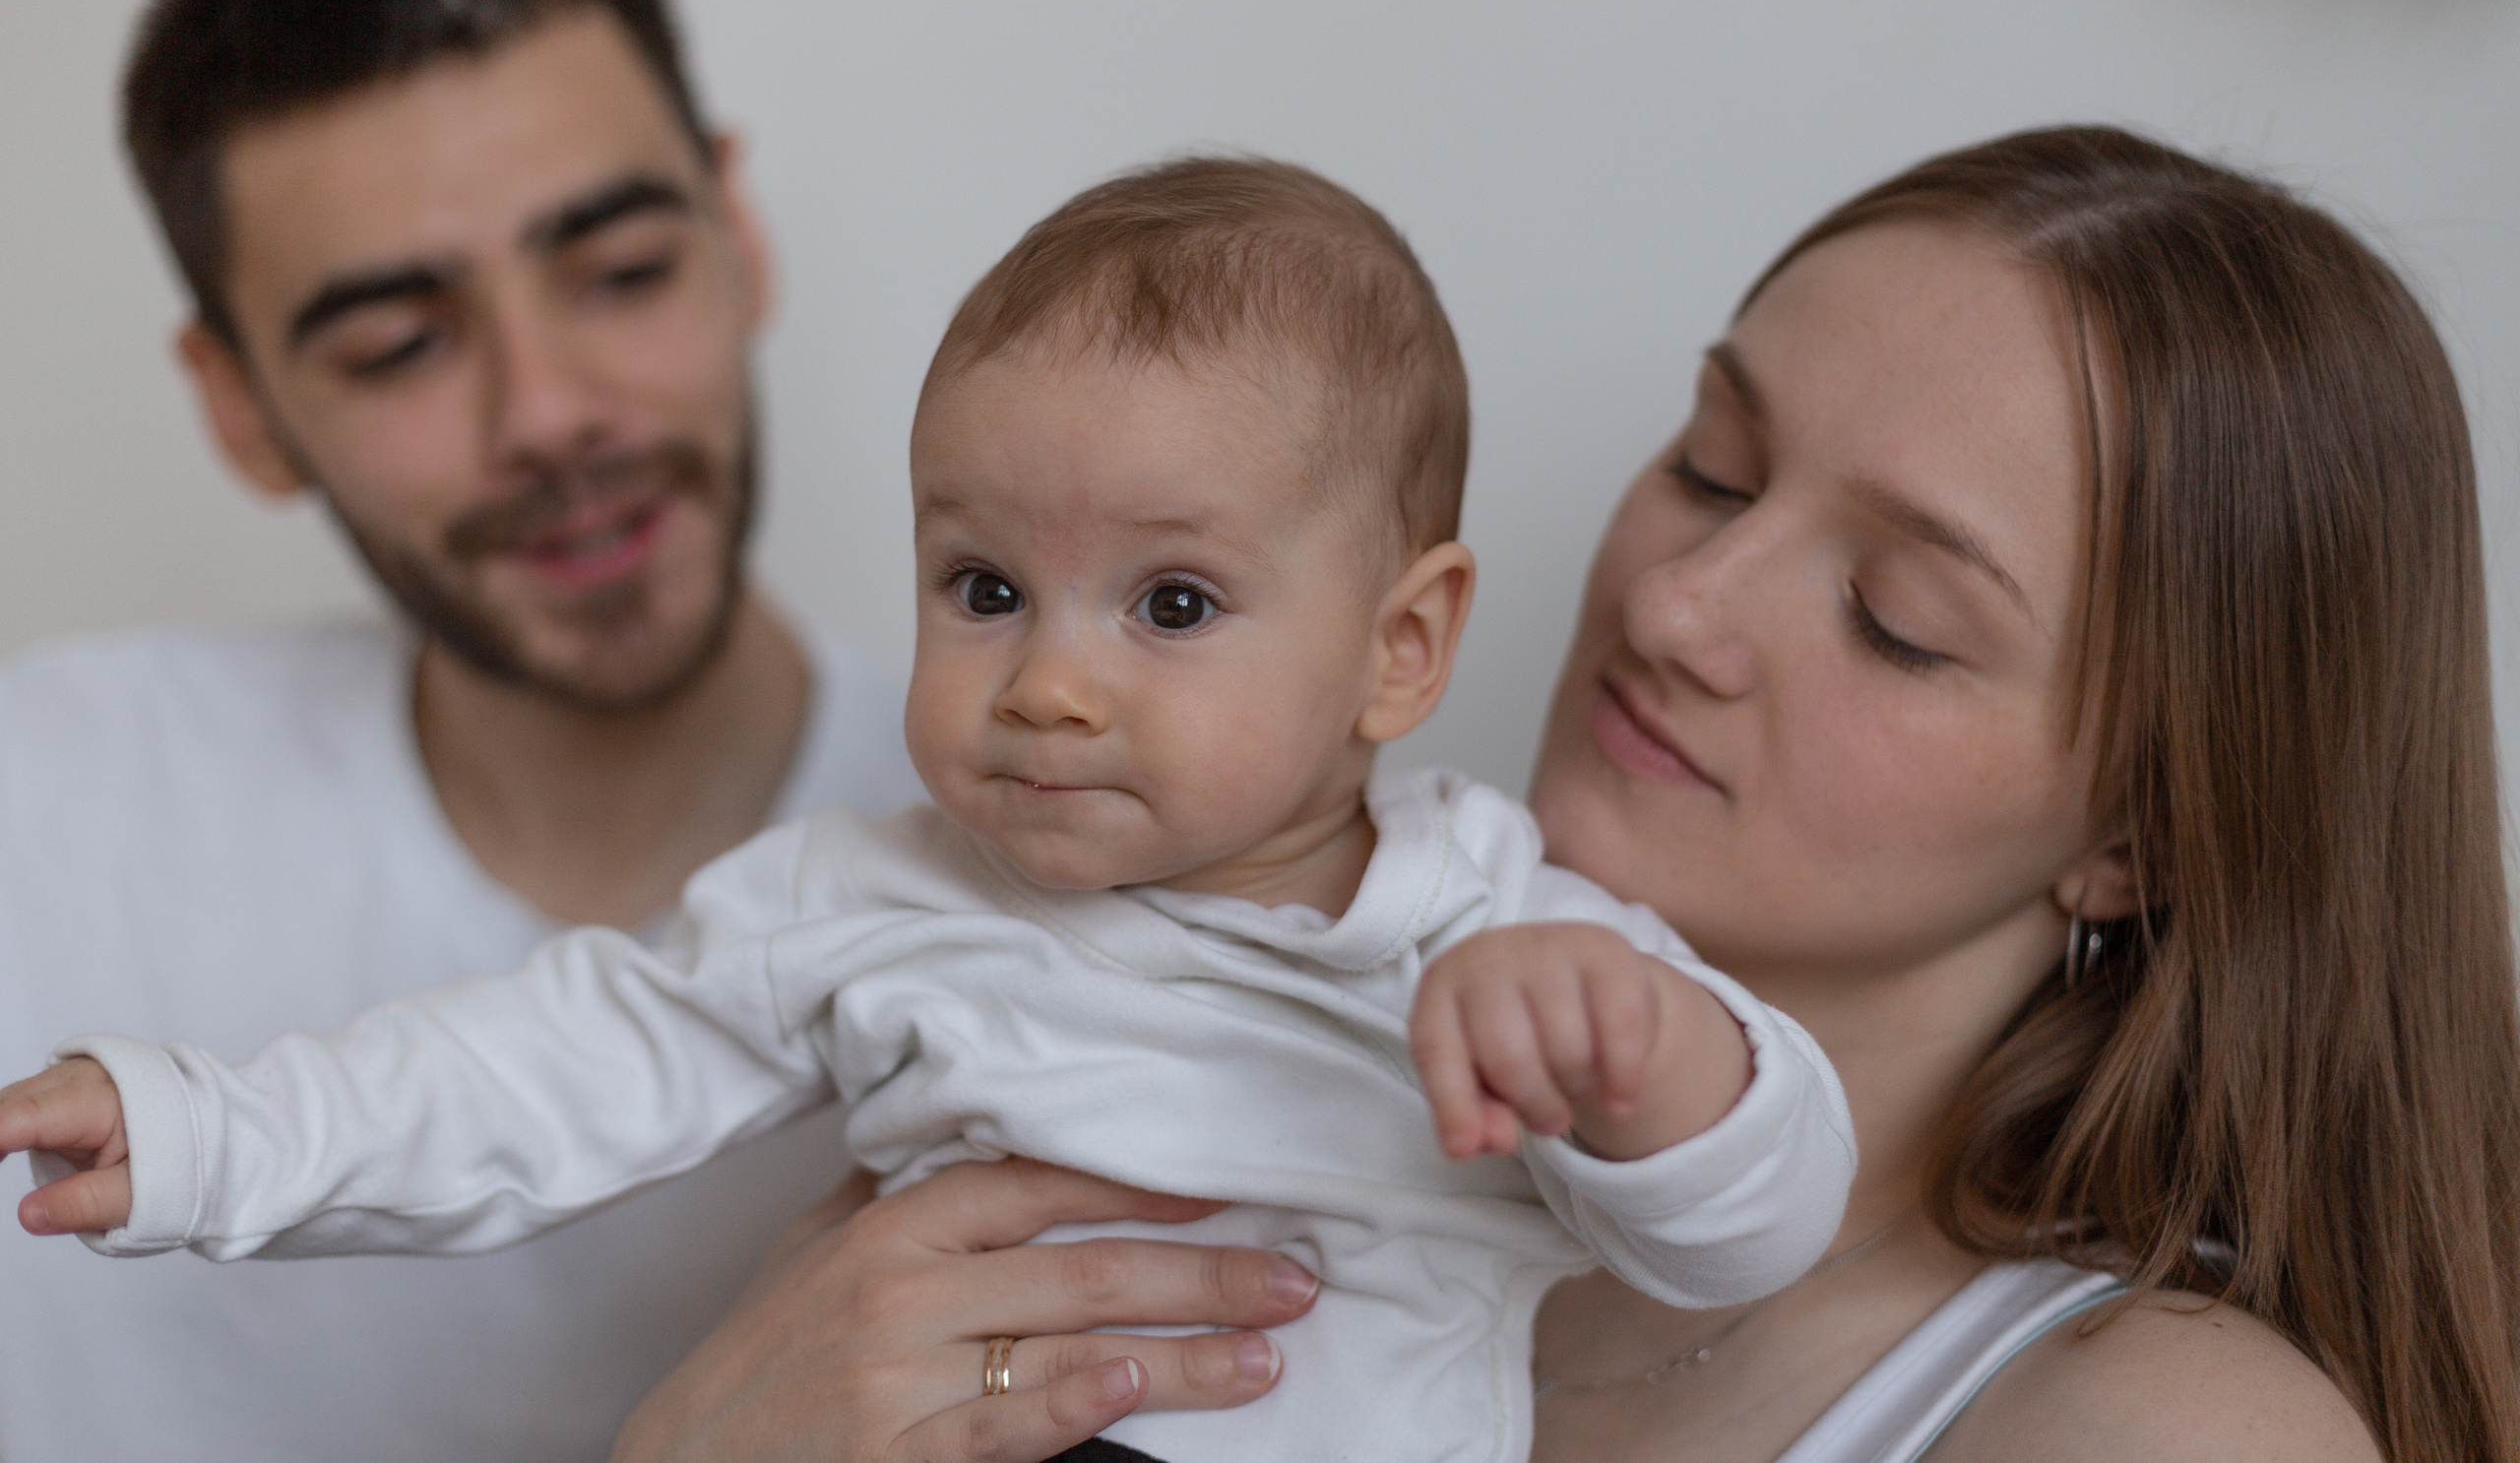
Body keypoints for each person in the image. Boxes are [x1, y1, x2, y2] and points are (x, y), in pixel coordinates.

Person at [601, 126, 2520, 1463]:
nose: (1673, 602)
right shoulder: (1136, 1099)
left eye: (1894, 616)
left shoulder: (2156, 1423)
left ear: (2142, 829)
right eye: (1707, 462)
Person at [3, 157, 1858, 1463]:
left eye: (1173, 606)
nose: (1047, 681)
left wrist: (1649, 1080)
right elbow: (520, 1080)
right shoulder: (859, 901)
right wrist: (205, 1138)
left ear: (1398, 649)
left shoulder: (1496, 930)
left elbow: (1753, 1233)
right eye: (981, 589)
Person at [0, 0, 930, 1463]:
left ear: (739, 234)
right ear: (239, 405)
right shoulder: (43, 819)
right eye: (399, 344)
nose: (552, 411)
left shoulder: (1102, 879)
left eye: (624, 270)